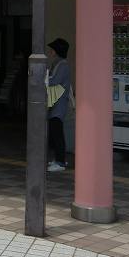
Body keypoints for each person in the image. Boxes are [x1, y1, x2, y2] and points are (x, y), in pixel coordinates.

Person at [46, 37, 72, 172]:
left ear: (56, 51)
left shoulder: (62, 65)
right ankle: (58, 159)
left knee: (57, 133)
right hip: (57, 103)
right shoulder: (59, 63)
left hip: (59, 104)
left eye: (52, 49)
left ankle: (60, 162)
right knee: (55, 132)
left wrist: (41, 77)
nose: (50, 51)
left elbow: (54, 80)